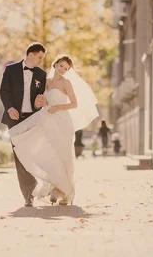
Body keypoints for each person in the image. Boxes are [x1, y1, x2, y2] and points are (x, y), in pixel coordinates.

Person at [8, 55, 99, 206]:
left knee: (64, 155)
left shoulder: (66, 83)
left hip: (63, 122)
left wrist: (58, 107)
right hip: (47, 121)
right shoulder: (47, 82)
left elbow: (74, 103)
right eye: (61, 66)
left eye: (66, 68)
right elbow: (41, 101)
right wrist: (40, 102)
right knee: (49, 153)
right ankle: (53, 187)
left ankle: (64, 191)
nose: (62, 70)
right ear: (55, 64)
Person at [0, 42, 48, 207]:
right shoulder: (11, 70)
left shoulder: (41, 75)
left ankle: (37, 184)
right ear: (31, 55)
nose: (41, 61)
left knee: (32, 154)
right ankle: (28, 193)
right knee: (19, 157)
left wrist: (40, 103)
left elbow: (40, 98)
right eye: (39, 57)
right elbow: (3, 91)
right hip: (14, 119)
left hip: (32, 119)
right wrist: (10, 108)